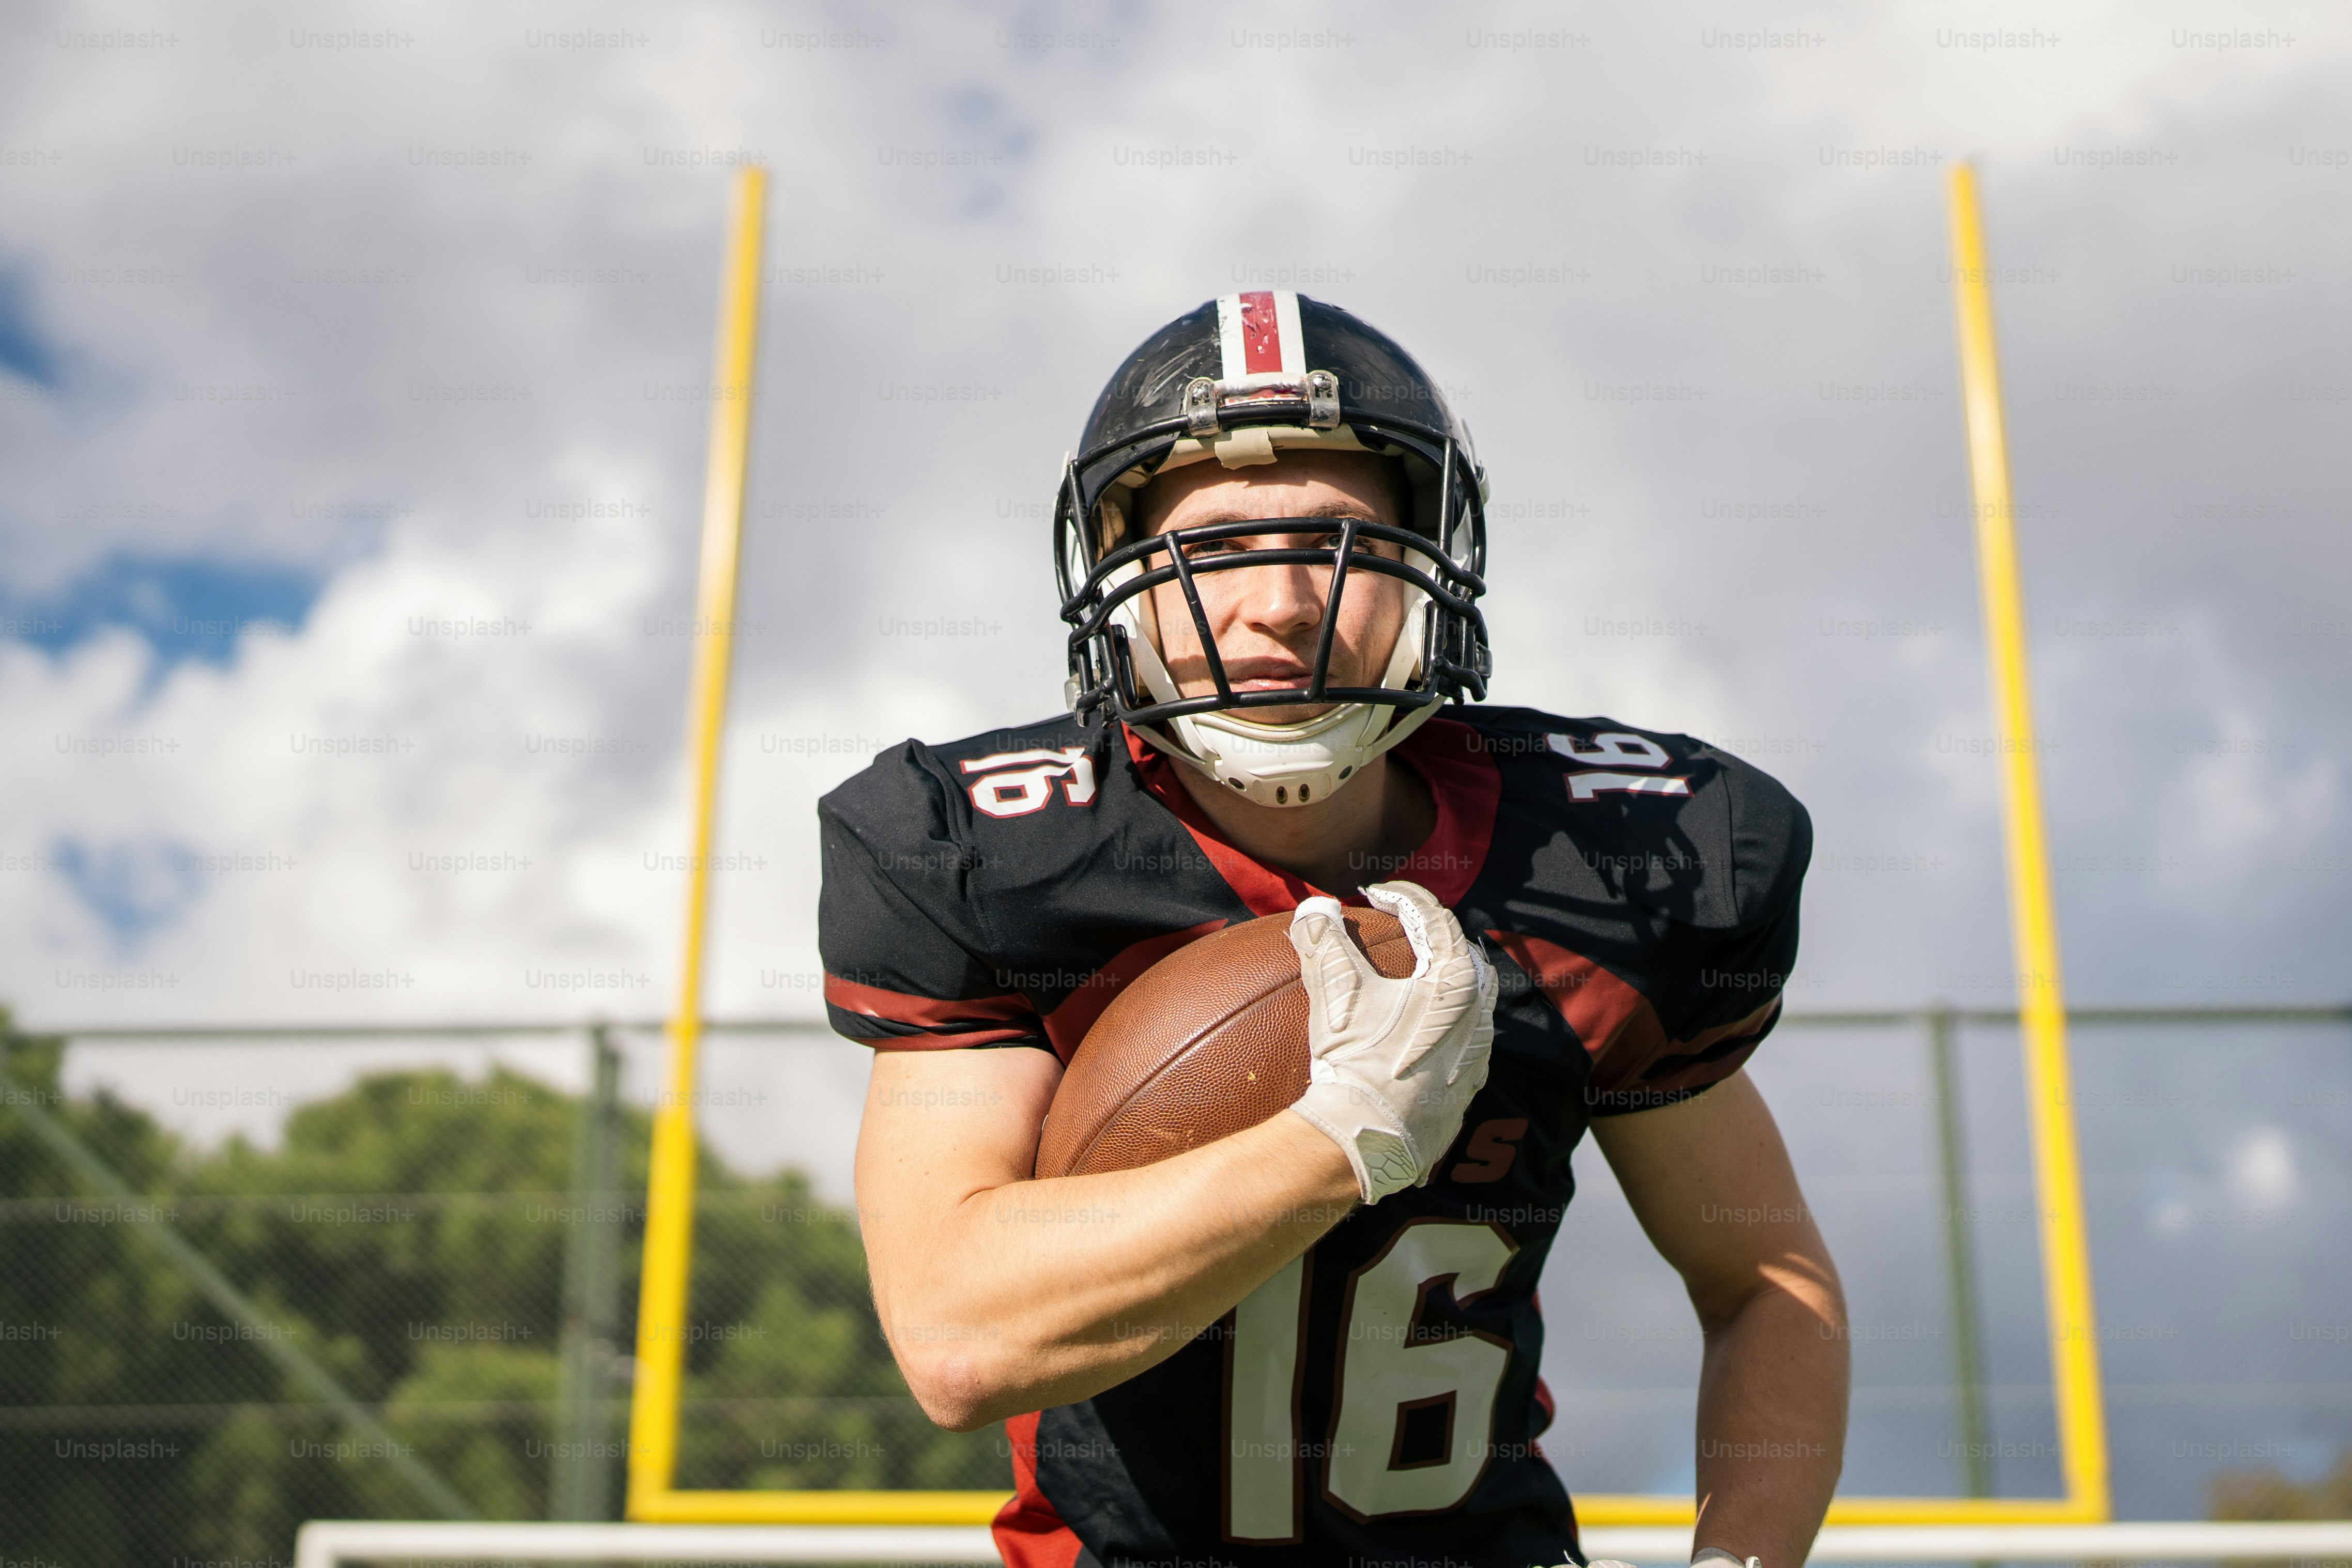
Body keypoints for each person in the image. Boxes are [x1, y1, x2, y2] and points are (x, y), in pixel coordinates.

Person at [822, 290, 1848, 1568]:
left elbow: (1762, 1279)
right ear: (1120, 578)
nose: (1283, 604)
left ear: (1433, 563)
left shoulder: (1617, 863)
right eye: (1220, 547)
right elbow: (959, 1333)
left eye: (1338, 541)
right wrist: (1340, 1137)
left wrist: (1742, 1559)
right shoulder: (985, 854)